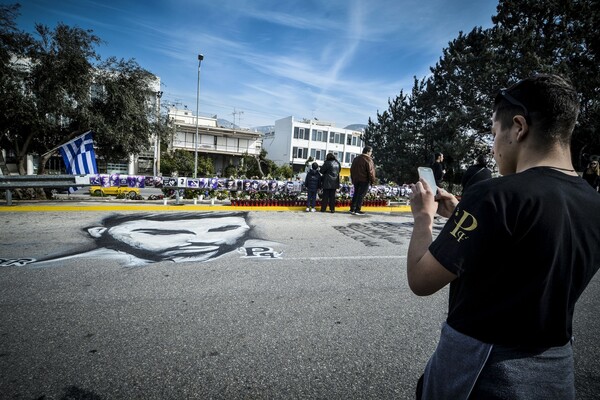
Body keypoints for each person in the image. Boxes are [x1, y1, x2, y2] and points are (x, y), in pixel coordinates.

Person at [407, 74, 600, 399]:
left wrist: (423, 218)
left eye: (495, 134)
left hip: (483, 369)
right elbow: (528, 243)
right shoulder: (593, 203)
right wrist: (460, 214)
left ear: (519, 127)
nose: (494, 147)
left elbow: (421, 279)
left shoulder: (494, 196)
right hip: (555, 368)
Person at [350, 146, 376, 215]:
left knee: (356, 193)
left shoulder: (356, 159)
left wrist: (353, 178)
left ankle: (352, 208)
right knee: (361, 194)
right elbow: (371, 172)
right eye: (371, 152)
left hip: (356, 179)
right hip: (364, 180)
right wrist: (372, 180)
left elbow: (352, 170)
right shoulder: (368, 160)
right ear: (367, 152)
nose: (371, 153)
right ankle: (357, 210)